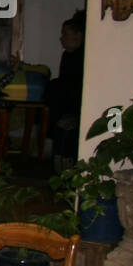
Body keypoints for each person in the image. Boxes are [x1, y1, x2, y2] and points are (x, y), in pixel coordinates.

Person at [47, 11, 85, 166]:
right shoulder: (67, 56)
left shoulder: (84, 56)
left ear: (78, 36)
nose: (61, 38)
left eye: (65, 34)